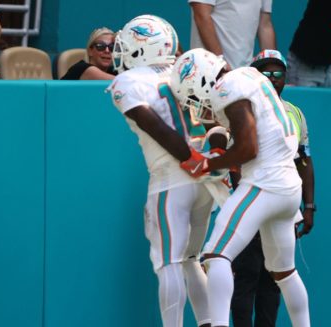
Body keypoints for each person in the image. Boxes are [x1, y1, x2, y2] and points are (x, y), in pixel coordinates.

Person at [171, 48, 310, 327]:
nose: (199, 102)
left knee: (215, 254)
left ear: (203, 79)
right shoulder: (248, 76)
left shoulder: (228, 86)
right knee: (283, 272)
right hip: (288, 186)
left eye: (195, 92)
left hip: (265, 184)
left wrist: (207, 165)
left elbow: (248, 148)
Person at [108, 15, 229, 327]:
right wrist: (212, 157)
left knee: (170, 262)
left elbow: (154, 124)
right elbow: (213, 118)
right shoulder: (183, 68)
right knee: (191, 259)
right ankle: (209, 323)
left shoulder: (128, 81)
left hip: (172, 176)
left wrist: (189, 159)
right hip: (205, 178)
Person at [229, 49, 316, 327]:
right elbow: (235, 162)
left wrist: (309, 205)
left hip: (283, 204)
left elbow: (304, 160)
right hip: (251, 201)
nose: (272, 78)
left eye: (278, 73)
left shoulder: (295, 113)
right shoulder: (240, 109)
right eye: (264, 73)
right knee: (245, 275)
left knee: (275, 278)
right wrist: (247, 203)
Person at [189, 0, 276, 69]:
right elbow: (201, 15)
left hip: (245, 74)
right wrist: (220, 63)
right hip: (208, 73)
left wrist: (272, 66)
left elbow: (265, 25)